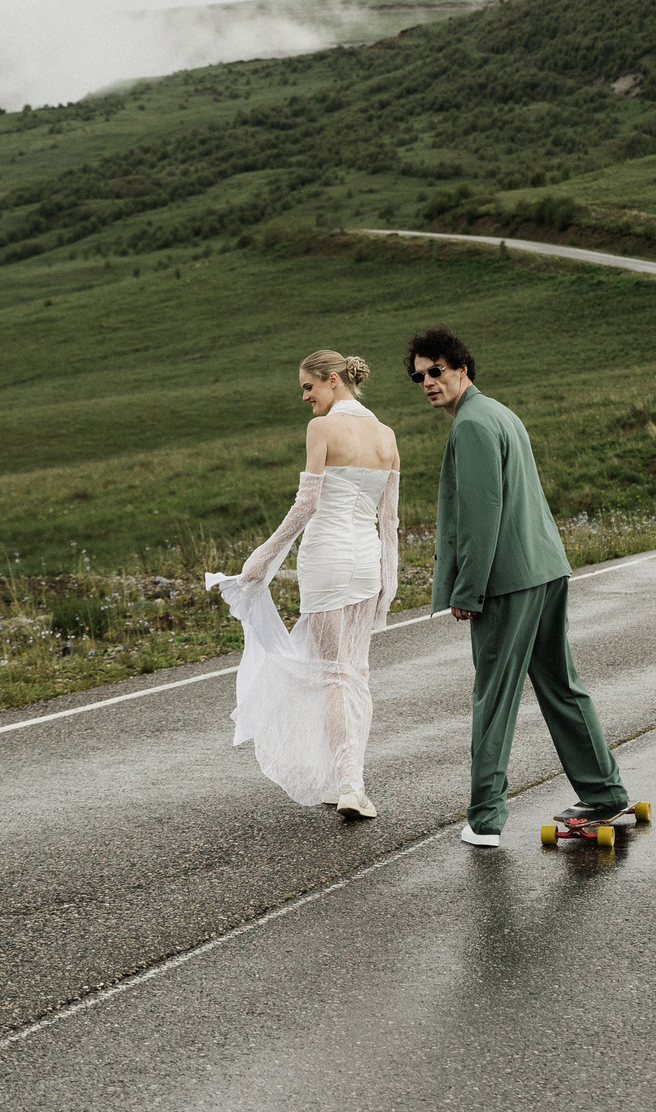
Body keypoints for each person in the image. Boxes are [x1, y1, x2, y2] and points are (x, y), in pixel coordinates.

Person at [408, 326, 628, 849]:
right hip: (545, 569)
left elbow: (482, 514)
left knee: (494, 697)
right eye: (419, 377)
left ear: (462, 368)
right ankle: (604, 793)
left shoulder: (471, 425)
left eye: (436, 371)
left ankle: (485, 819)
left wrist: (467, 590)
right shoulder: (499, 412)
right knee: (560, 684)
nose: (428, 383)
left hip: (507, 581)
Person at [211, 349, 401, 820]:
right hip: (368, 563)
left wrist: (260, 560)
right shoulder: (386, 435)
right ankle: (350, 778)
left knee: (334, 674)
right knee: (355, 672)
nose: (304, 397)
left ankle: (350, 782)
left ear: (333, 380)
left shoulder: (322, 429)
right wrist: (388, 586)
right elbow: (390, 520)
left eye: (308, 387)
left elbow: (307, 505)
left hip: (329, 561)